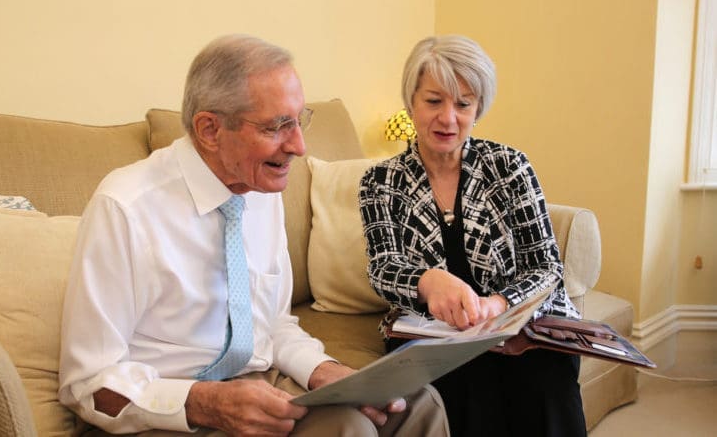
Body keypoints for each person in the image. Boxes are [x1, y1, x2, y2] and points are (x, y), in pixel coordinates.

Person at [58, 34, 448, 437]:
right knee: (347, 427)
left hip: (259, 382)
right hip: (164, 409)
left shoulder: (258, 188)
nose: (298, 145)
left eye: (299, 119)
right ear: (210, 129)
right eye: (277, 126)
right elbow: (89, 384)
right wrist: (204, 403)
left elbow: (272, 324)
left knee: (415, 402)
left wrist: (323, 370)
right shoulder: (125, 207)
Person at [358, 34, 587, 437]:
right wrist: (428, 282)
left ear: (478, 107)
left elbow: (547, 267)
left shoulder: (510, 166)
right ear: (411, 101)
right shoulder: (380, 181)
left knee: (546, 381)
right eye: (434, 101)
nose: (448, 118)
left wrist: (500, 305)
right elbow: (383, 268)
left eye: (463, 104)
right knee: (455, 386)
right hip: (433, 336)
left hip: (519, 330)